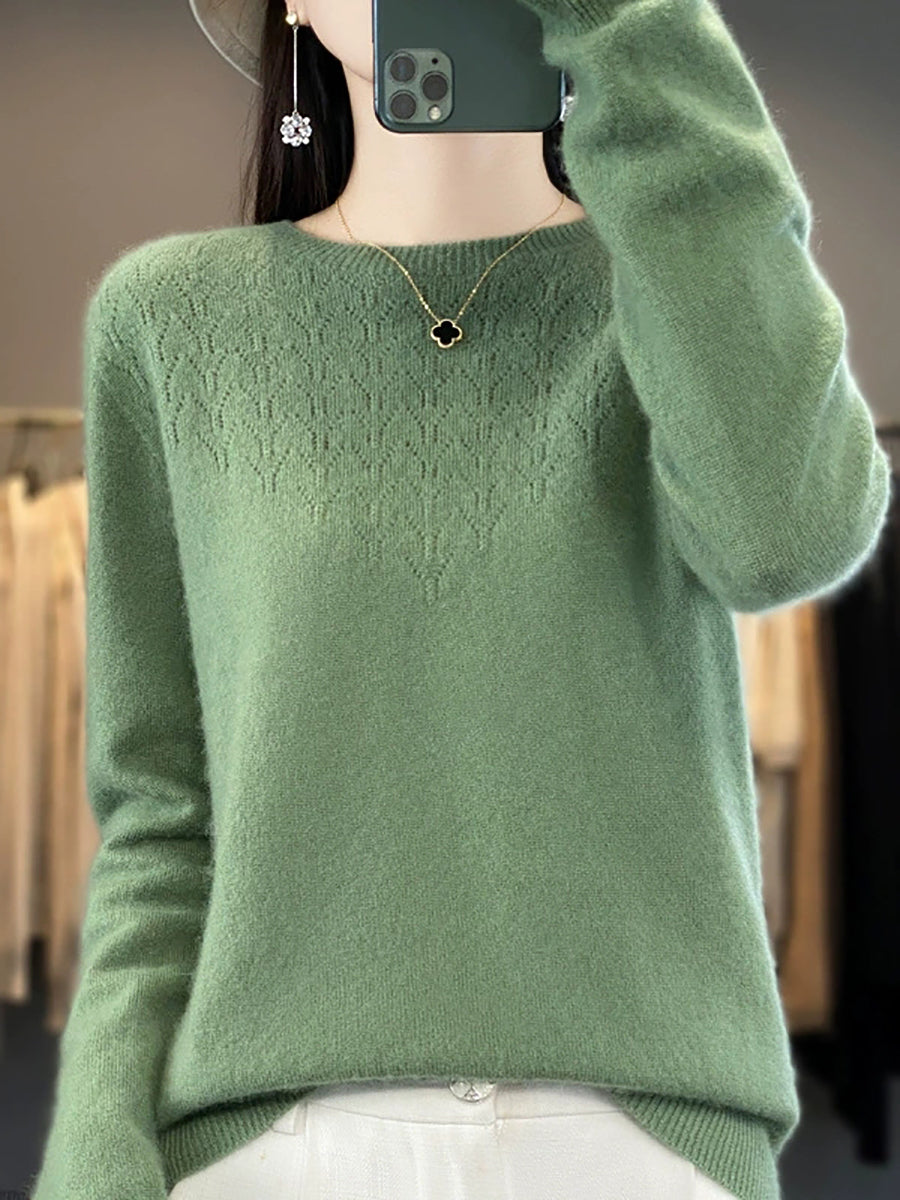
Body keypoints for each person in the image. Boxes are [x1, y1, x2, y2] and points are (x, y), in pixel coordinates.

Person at [29, 2, 892, 1199]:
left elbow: (788, 537)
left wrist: (625, 22)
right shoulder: (170, 323)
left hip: (644, 1146)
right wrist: (96, 1153)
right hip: (269, 1151)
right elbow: (162, 810)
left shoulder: (674, 293)